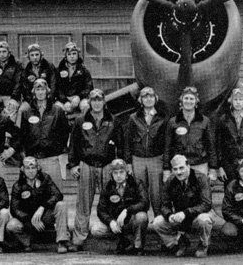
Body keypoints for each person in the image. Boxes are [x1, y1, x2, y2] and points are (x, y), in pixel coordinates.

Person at [68, 88, 120, 251]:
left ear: (104, 101)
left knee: (112, 201)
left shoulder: (113, 120)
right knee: (83, 204)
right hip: (87, 164)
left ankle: (115, 235)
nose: (97, 102)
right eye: (94, 100)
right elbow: (73, 145)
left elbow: (121, 143)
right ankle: (78, 238)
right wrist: (73, 164)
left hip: (107, 165)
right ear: (90, 102)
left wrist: (121, 164)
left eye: (99, 99)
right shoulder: (80, 120)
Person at [5, 156, 71, 254]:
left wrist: (43, 207)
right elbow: (14, 209)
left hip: (45, 215)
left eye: (33, 168)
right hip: (28, 220)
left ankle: (62, 242)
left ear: (38, 168)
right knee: (11, 225)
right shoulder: (17, 185)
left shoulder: (45, 178)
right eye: (28, 168)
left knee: (61, 205)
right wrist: (30, 220)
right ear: (23, 169)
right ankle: (26, 243)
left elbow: (58, 195)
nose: (31, 171)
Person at [153, 154, 214, 258]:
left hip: (196, 216)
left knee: (204, 219)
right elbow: (164, 204)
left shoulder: (201, 178)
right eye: (175, 169)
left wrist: (186, 212)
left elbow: (206, 204)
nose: (179, 172)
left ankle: (203, 245)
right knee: (158, 222)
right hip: (180, 218)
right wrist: (169, 215)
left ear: (188, 166)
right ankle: (180, 242)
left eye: (181, 168)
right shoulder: (170, 180)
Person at [121, 86, 168, 215]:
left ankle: (159, 218)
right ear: (140, 100)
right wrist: (128, 163)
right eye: (145, 97)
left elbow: (166, 143)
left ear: (156, 98)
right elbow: (127, 142)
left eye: (151, 96)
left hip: (156, 159)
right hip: (138, 159)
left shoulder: (163, 118)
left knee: (157, 192)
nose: (148, 99)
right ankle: (141, 219)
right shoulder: (133, 118)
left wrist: (165, 164)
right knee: (139, 190)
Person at [18, 78, 70, 188]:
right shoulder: (26, 112)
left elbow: (65, 132)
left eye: (43, 89)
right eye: (38, 89)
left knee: (55, 193)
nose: (40, 92)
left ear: (47, 91)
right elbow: (22, 134)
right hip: (33, 160)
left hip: (51, 158)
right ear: (34, 92)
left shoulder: (57, 110)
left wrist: (58, 149)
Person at [94, 159, 150, 255]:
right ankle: (123, 241)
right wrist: (110, 221)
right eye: (115, 173)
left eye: (121, 172)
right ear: (111, 174)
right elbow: (101, 210)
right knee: (96, 229)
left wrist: (127, 210)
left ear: (127, 173)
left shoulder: (136, 183)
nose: (118, 175)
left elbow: (145, 202)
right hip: (116, 223)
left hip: (131, 220)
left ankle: (138, 247)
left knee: (142, 217)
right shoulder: (107, 187)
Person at [164, 86, 218, 180]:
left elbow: (211, 146)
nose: (188, 101)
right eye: (186, 98)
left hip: (200, 165)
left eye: (191, 99)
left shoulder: (205, 121)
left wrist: (213, 168)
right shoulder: (173, 122)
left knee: (201, 193)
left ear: (196, 102)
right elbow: (167, 147)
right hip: (179, 166)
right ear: (181, 101)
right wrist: (166, 169)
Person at [55, 42, 93, 114]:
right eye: (69, 54)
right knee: (57, 108)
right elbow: (57, 88)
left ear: (78, 55)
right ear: (65, 56)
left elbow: (89, 87)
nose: (72, 56)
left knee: (86, 106)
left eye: (74, 54)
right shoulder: (59, 70)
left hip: (79, 99)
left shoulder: (84, 70)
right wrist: (65, 100)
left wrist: (79, 97)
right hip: (64, 100)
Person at [0, 41, 22, 108]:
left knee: (10, 110)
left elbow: (18, 83)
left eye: (4, 51)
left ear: (9, 53)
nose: (2, 54)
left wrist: (13, 97)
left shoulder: (17, 65)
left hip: (11, 96)